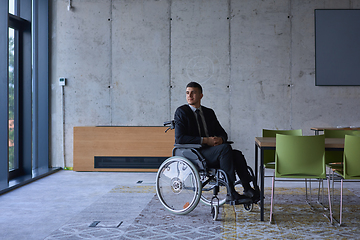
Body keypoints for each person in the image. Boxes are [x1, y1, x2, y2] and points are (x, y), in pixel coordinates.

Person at [174, 81, 259, 203]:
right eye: (187, 93)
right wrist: (205, 140)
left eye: (193, 93)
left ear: (201, 95)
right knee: (225, 149)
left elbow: (223, 133)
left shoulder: (209, 113)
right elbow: (180, 138)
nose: (189, 95)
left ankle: (247, 188)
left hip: (212, 151)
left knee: (237, 154)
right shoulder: (182, 112)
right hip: (195, 153)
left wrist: (221, 139)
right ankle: (231, 192)